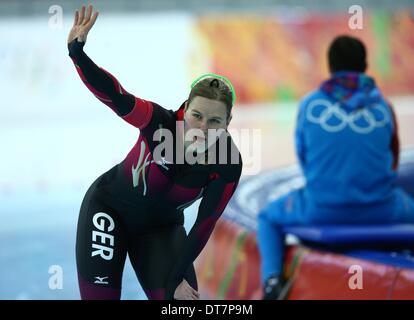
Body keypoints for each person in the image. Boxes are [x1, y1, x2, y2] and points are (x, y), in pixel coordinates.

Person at [68, 5, 242, 300]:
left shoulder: (227, 163)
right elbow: (115, 96)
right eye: (197, 115)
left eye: (215, 121)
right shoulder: (158, 122)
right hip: (109, 211)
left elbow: (204, 225)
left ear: (228, 123)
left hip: (160, 231)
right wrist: (77, 52)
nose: (203, 127)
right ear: (185, 109)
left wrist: (176, 278)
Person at [257, 35, 414, 300]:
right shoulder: (383, 107)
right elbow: (393, 161)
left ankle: (272, 281)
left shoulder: (310, 105)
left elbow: (305, 159)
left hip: (320, 209)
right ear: (365, 65)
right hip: (383, 209)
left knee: (266, 218)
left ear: (329, 66)